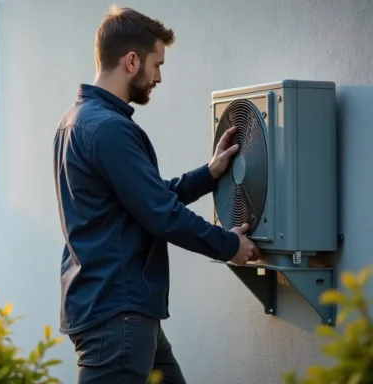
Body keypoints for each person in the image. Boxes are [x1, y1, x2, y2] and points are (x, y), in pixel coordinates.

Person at [52, 6, 260, 384]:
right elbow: (161, 213)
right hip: (118, 319)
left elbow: (145, 198)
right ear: (132, 61)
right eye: (157, 63)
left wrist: (209, 174)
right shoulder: (109, 130)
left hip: (118, 310)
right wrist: (228, 245)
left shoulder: (76, 121)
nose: (159, 77)